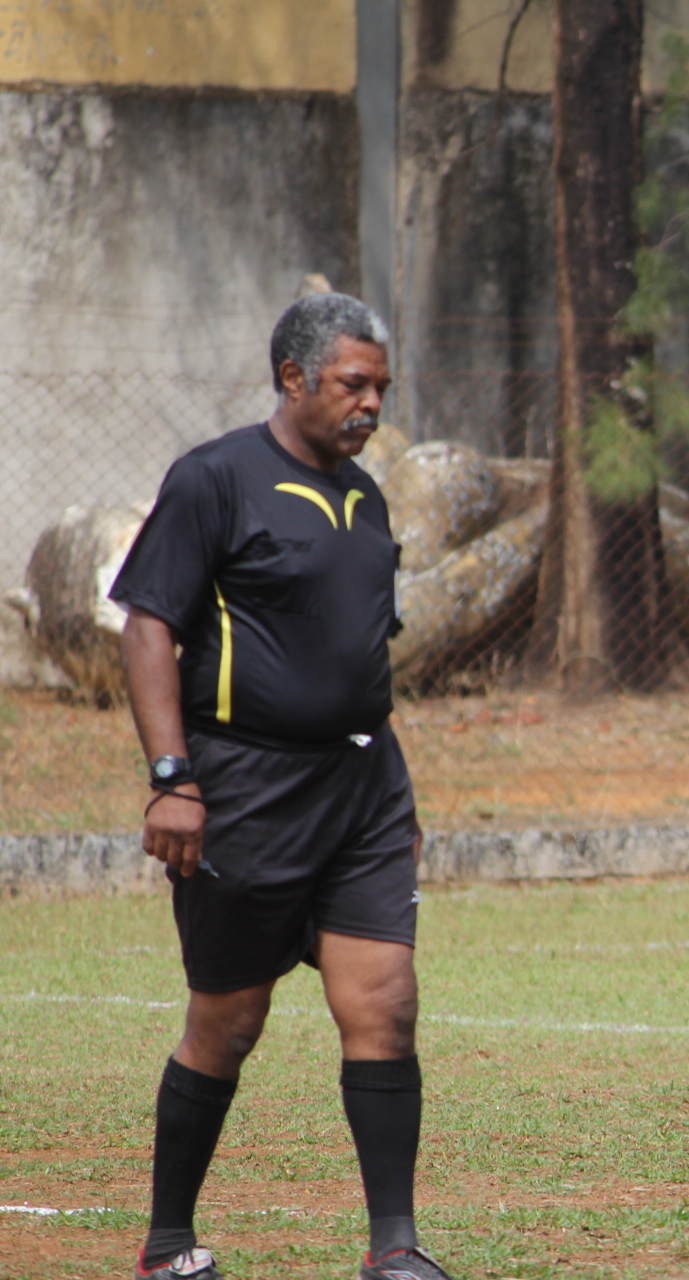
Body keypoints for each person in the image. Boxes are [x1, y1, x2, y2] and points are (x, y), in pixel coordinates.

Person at [111, 293, 453, 1280]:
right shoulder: (215, 479)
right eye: (354, 383)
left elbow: (353, 653)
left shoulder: (368, 498)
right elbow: (147, 625)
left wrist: (394, 792)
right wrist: (173, 776)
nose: (372, 404)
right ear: (294, 377)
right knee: (230, 1018)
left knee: (385, 1001)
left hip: (363, 784)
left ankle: (395, 1246)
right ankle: (169, 1241)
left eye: (381, 386)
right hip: (243, 786)